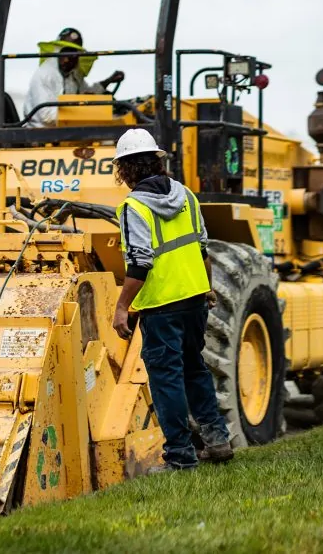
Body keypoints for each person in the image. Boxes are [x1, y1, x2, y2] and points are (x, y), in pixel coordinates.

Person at [109, 129, 234, 473]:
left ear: (125, 169)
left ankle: (180, 456)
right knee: (195, 368)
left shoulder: (132, 206)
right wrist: (207, 287)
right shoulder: (187, 195)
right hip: (194, 298)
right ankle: (217, 441)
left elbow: (139, 262)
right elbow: (202, 248)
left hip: (161, 305)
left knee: (166, 379)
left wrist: (122, 307)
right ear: (157, 161)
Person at [23, 27, 125, 127]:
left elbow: (86, 94)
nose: (68, 59)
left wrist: (108, 81)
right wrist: (84, 114)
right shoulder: (45, 75)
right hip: (41, 133)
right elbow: (45, 116)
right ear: (59, 52)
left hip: (67, 130)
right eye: (66, 53)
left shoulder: (73, 75)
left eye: (73, 55)